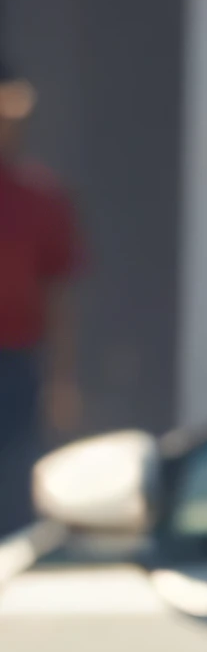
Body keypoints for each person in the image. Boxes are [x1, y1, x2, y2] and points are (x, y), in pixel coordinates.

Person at [0, 71, 84, 532]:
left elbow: (59, 294)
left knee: (14, 482)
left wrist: (61, 380)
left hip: (16, 364)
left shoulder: (40, 196)